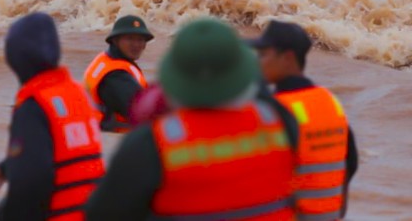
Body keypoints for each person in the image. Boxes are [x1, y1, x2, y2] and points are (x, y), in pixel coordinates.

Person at [86, 17, 299, 221]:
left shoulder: (151, 141)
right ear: (243, 70)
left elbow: (101, 214)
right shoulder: (280, 120)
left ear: (174, 74)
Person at [0, 12, 105, 221]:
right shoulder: (76, 93)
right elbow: (63, 151)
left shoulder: (33, 106)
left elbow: (32, 181)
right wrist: (7, 167)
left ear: (14, 58)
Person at [250, 20, 358, 221]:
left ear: (288, 58)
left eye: (264, 55)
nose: (258, 62)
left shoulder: (276, 110)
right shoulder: (329, 101)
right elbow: (350, 161)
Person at [83, 15, 152, 132]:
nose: (136, 45)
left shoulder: (107, 60)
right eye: (130, 39)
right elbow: (142, 114)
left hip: (98, 133)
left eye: (140, 40)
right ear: (115, 41)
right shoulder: (115, 75)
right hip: (116, 138)